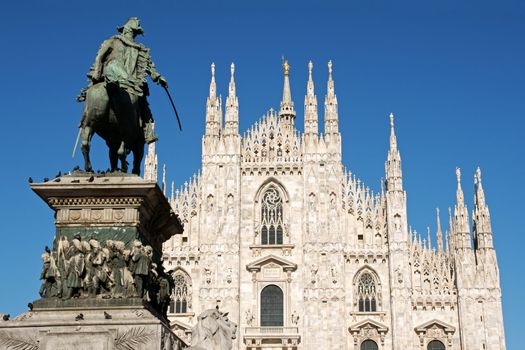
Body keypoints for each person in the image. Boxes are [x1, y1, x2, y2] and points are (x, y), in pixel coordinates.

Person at [83, 17, 167, 144]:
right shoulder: (129, 46)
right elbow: (150, 68)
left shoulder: (115, 42)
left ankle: (86, 119)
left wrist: (96, 72)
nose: (129, 33)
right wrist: (158, 77)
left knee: (141, 99)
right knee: (143, 103)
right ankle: (148, 132)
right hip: (126, 78)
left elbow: (100, 56)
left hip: (111, 74)